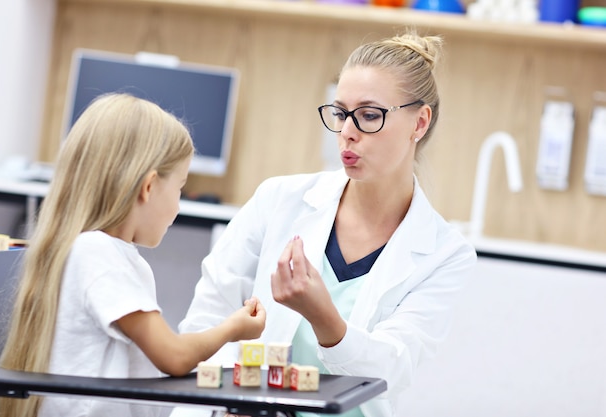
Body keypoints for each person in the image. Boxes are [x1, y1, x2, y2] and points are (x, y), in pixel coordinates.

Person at [175, 30, 477, 417]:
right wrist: (218, 406)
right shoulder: (278, 200)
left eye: (369, 115)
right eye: (340, 113)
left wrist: (324, 317)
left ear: (419, 123)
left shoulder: (445, 254)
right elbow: (208, 319)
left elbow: (393, 367)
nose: (347, 132)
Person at [0, 93, 266, 417]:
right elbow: (174, 357)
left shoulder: (94, 252)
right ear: (149, 187)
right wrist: (233, 328)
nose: (178, 205)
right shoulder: (98, 253)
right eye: (179, 188)